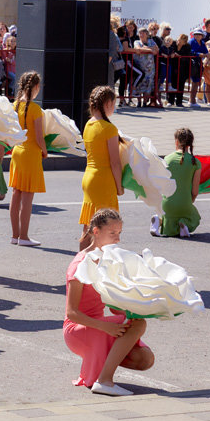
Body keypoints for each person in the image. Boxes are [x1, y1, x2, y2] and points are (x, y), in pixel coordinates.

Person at [65, 209, 154, 396]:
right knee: (139, 325)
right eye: (112, 233)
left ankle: (102, 368)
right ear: (96, 232)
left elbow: (113, 308)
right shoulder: (80, 263)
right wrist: (107, 328)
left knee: (144, 359)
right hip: (78, 330)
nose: (117, 239)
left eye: (119, 233)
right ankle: (104, 380)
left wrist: (137, 306)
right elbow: (72, 313)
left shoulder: (107, 259)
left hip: (98, 327)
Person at [79, 86, 123, 249]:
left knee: (89, 225)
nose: (114, 106)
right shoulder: (109, 128)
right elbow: (115, 162)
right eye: (114, 102)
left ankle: (80, 262)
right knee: (105, 227)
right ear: (107, 103)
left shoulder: (89, 124)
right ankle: (96, 265)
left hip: (89, 176)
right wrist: (119, 186)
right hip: (103, 180)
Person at [7, 71, 47, 245]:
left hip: (17, 151)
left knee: (16, 194)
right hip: (30, 153)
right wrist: (45, 150)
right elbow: (39, 138)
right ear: (36, 87)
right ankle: (24, 236)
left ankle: (14, 235)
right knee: (27, 197)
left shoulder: (14, 105)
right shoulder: (35, 109)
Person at [152, 128, 201, 238]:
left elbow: (161, 184)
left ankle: (159, 221)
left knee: (168, 215)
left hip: (167, 204)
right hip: (185, 203)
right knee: (194, 217)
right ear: (190, 144)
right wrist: (190, 201)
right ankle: (184, 224)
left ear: (176, 142)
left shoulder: (167, 159)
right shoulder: (195, 162)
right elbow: (195, 191)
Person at [166, 34, 193, 107]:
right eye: (178, 40)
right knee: (173, 84)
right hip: (173, 66)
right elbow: (168, 51)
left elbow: (187, 57)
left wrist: (179, 56)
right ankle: (170, 101)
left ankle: (179, 102)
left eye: (180, 41)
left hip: (183, 68)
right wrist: (172, 54)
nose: (178, 42)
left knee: (181, 84)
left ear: (184, 42)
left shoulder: (187, 47)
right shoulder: (173, 44)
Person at [188, 29, 208, 107]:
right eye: (196, 34)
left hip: (199, 64)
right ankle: (192, 100)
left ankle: (192, 100)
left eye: (199, 34)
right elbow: (190, 51)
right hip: (192, 64)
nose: (198, 36)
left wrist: (208, 54)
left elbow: (206, 51)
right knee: (194, 82)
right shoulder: (191, 42)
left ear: (202, 36)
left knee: (196, 82)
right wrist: (198, 54)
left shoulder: (202, 43)